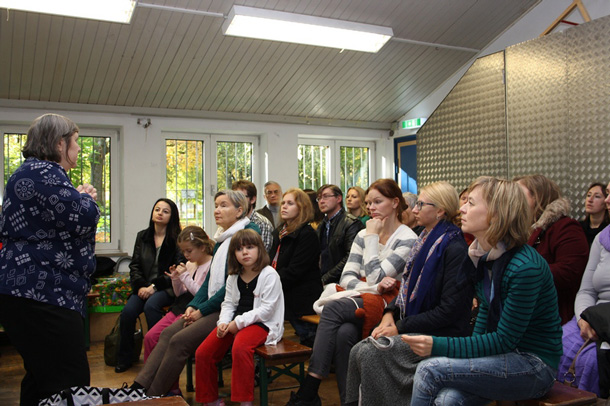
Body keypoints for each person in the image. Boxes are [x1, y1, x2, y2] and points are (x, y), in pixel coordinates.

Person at [405, 176, 562, 406]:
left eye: (471, 203)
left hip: (534, 366)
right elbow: (485, 318)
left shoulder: (525, 267)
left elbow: (505, 340)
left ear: (497, 214)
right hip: (503, 357)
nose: (461, 208)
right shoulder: (482, 255)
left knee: (429, 369)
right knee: (448, 400)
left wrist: (437, 345)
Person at [287, 179, 418, 406]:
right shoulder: (362, 234)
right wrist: (372, 287)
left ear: (395, 202)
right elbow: (347, 278)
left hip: (389, 308)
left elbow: (374, 277)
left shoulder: (407, 238)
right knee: (343, 333)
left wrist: (372, 238)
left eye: (378, 202)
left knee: (333, 308)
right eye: (368, 203)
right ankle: (348, 402)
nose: (371, 207)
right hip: (359, 301)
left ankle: (309, 388)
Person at [0, 113, 100, 406]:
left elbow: (54, 217)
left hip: (27, 290)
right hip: (43, 293)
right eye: (76, 142)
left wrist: (75, 196)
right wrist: (86, 198)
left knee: (41, 378)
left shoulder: (30, 173)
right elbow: (83, 216)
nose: (78, 148)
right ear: (59, 143)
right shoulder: (44, 172)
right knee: (70, 381)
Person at [345, 181, 472, 406]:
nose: (413, 210)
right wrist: (389, 313)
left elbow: (448, 311)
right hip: (416, 324)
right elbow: (407, 287)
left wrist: (400, 327)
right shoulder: (424, 239)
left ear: (440, 211)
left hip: (439, 335)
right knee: (357, 350)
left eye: (421, 205)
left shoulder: (454, 248)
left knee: (369, 353)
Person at [132, 190, 260, 396]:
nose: (217, 210)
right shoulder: (221, 239)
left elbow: (231, 286)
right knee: (166, 334)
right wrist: (194, 305)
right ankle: (138, 387)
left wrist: (202, 310)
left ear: (239, 211)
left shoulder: (246, 235)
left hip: (231, 309)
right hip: (213, 305)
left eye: (223, 205)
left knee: (179, 341)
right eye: (216, 205)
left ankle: (154, 395)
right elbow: (209, 282)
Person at [195, 229, 284, 406]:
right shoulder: (234, 276)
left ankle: (245, 401)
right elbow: (228, 304)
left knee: (241, 346)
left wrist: (238, 322)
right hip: (235, 322)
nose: (244, 252)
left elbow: (266, 310)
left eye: (250, 247)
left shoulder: (269, 274)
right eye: (239, 249)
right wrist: (223, 323)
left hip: (263, 324)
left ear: (259, 249)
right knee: (203, 353)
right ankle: (210, 400)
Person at [115, 198, 183, 373]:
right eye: (157, 209)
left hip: (166, 288)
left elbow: (177, 270)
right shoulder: (143, 236)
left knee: (151, 306)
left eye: (165, 211)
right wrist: (140, 287)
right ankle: (125, 357)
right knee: (128, 312)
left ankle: (156, 356)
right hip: (143, 287)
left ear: (172, 216)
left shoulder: (177, 239)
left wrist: (154, 287)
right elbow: (135, 266)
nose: (160, 213)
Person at [558, 181, 610, 396]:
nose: (607, 200)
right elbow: (587, 290)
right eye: (607, 193)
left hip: (606, 320)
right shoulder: (602, 238)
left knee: (592, 361)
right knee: (557, 344)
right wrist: (583, 319)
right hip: (591, 316)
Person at [515, 174, 589, 324]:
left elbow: (570, 272)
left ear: (538, 197)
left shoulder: (565, 227)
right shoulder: (523, 230)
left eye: (518, 195)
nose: (512, 201)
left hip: (554, 316)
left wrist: (522, 272)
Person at [143, 226, 214, 360]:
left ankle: (165, 372)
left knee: (170, 339)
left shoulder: (212, 265)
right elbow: (180, 294)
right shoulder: (190, 264)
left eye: (189, 251)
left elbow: (201, 295)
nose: (186, 255)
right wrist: (176, 279)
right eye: (183, 251)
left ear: (202, 247)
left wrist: (185, 276)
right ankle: (150, 372)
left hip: (195, 311)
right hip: (180, 307)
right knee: (150, 337)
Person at [271, 188, 322, 347]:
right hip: (284, 293)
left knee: (309, 340)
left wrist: (269, 283)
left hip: (302, 298)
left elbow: (295, 271)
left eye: (290, 203)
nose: (284, 206)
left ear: (302, 207)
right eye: (283, 203)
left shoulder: (307, 234)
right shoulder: (280, 231)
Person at [317, 184, 364, 285]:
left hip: (343, 281)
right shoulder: (322, 224)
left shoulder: (351, 223)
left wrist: (325, 279)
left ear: (338, 198)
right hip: (324, 279)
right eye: (319, 198)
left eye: (326, 196)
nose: (321, 201)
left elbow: (350, 257)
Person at [232, 180, 274, 253]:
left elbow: (261, 255)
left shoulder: (262, 223)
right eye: (234, 198)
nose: (237, 201)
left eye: (241, 197)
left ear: (252, 199)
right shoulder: (232, 221)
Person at [580, 182, 610, 247]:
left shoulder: (607, 231)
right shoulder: (578, 228)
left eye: (597, 196)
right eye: (588, 195)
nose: (590, 200)